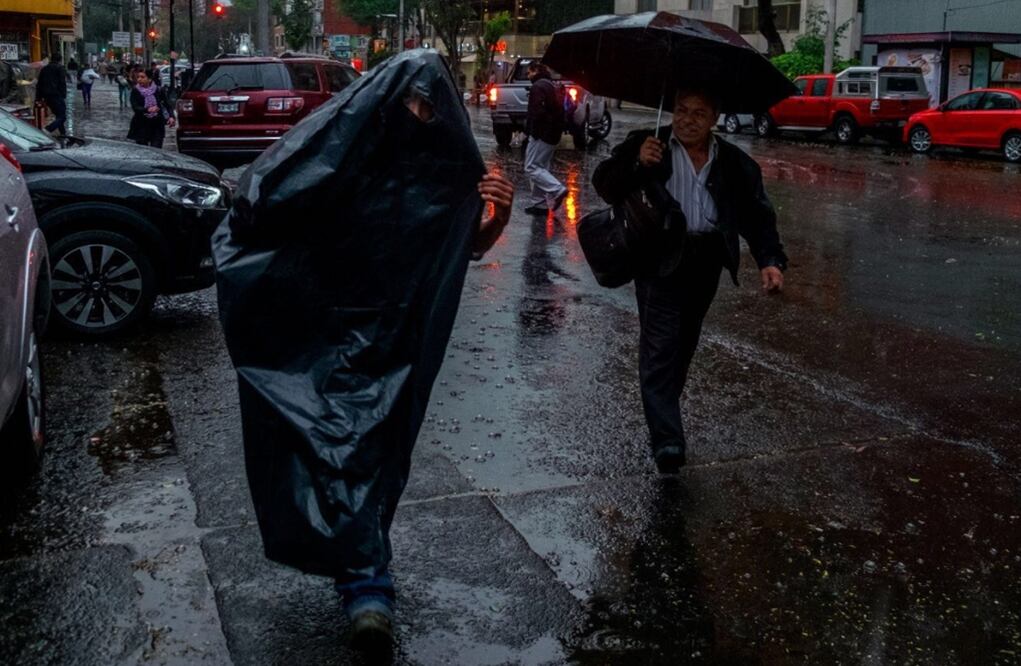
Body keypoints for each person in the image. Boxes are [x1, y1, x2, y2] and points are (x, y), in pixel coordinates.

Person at [212, 50, 514, 656]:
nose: (419, 115)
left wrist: (492, 214)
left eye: (431, 108)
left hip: (393, 340)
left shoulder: (440, 170)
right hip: (320, 334)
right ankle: (366, 583)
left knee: (375, 452)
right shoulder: (339, 152)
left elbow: (459, 254)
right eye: (410, 102)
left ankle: (365, 577)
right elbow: (265, 206)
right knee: (335, 449)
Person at [592, 87, 787, 473]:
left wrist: (770, 260)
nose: (688, 120)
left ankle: (664, 415)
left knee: (682, 346)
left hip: (706, 262)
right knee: (660, 347)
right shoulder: (649, 144)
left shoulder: (733, 162)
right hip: (659, 258)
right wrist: (637, 163)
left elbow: (756, 214)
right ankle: (667, 442)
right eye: (682, 111)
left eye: (699, 113)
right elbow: (605, 184)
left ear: (714, 118)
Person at [523, 61, 567, 215]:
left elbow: (536, 113)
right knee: (540, 167)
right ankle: (540, 204)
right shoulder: (551, 85)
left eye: (529, 72)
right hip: (553, 133)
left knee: (532, 167)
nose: (527, 76)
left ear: (536, 71)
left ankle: (557, 189)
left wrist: (531, 131)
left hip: (541, 133)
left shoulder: (538, 87)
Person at [127, 69, 175, 147]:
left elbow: (167, 105)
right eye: (138, 77)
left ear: (149, 79)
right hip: (141, 125)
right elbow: (135, 107)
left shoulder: (159, 90)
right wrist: (147, 109)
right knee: (143, 151)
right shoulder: (135, 91)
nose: (139, 79)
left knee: (157, 149)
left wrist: (171, 117)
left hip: (157, 125)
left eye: (142, 77)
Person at [35, 54, 68, 137]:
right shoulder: (60, 68)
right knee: (62, 117)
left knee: (58, 115)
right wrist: (63, 95)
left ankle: (63, 134)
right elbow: (62, 83)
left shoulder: (44, 69)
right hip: (56, 95)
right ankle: (48, 129)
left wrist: (38, 97)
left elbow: (39, 84)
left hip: (46, 96)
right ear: (60, 60)